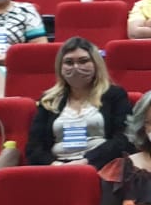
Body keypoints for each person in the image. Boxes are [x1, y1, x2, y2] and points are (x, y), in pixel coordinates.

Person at [26, 37, 132, 167]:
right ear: (60, 67)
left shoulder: (114, 95)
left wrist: (86, 161)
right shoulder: (49, 100)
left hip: (102, 165)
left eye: (83, 61)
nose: (76, 67)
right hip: (56, 168)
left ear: (96, 64)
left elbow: (124, 139)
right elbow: (34, 147)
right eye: (69, 62)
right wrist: (55, 165)